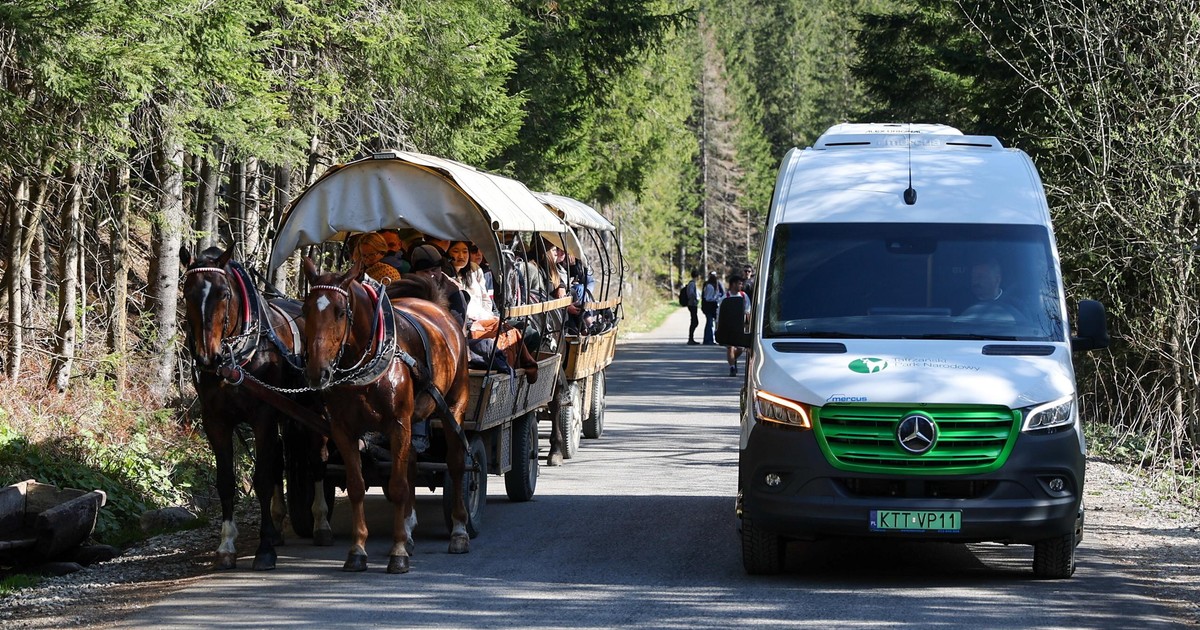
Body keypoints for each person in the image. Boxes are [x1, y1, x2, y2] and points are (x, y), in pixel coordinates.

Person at [447, 240, 495, 326]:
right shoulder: (447, 277)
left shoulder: (475, 269)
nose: (461, 256)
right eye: (456, 251)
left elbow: (485, 299)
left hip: (484, 319)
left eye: (465, 251)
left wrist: (488, 319)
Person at [722, 274, 750, 376]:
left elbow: (748, 311)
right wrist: (718, 326)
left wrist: (748, 325)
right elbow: (719, 312)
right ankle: (732, 368)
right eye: (739, 283)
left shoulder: (743, 296)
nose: (741, 285)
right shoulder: (726, 297)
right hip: (728, 326)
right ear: (733, 284)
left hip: (740, 326)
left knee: (740, 348)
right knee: (730, 347)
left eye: (742, 284)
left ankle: (733, 360)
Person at [700, 271, 724, 345]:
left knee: (712, 323)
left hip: (712, 305)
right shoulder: (709, 285)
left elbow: (722, 293)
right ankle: (708, 339)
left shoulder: (717, 284)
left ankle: (711, 339)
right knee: (709, 323)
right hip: (709, 306)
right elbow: (707, 297)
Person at [683, 271, 700, 345]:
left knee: (694, 321)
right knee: (694, 321)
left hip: (692, 304)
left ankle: (691, 338)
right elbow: (691, 293)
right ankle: (690, 338)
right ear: (697, 276)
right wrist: (694, 300)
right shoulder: (692, 284)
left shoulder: (691, 283)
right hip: (692, 304)